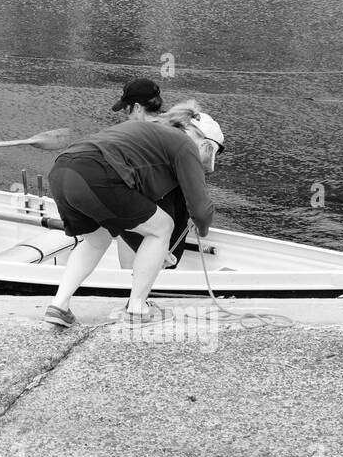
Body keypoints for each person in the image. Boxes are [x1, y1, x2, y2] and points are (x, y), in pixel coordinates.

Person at [42, 106, 224, 328]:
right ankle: (137, 310)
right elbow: (200, 207)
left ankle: (59, 305)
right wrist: (202, 228)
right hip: (97, 172)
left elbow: (126, 218)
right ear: (205, 144)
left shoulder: (148, 134)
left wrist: (157, 250)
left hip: (62, 172)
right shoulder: (184, 144)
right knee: (163, 227)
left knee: (97, 240)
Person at [110, 78, 192, 268]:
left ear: (137, 108)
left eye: (126, 109)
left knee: (132, 275)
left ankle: (134, 295)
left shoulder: (131, 134)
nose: (126, 115)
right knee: (166, 268)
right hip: (177, 207)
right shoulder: (177, 129)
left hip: (145, 205)